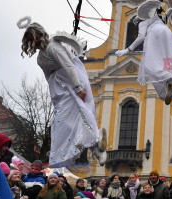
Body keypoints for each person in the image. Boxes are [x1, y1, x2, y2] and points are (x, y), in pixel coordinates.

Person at [20, 19, 107, 167]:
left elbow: (68, 66)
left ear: (40, 35)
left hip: (71, 84)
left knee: (78, 115)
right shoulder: (40, 58)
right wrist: (55, 96)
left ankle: (95, 144)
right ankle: (69, 154)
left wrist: (78, 88)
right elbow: (48, 78)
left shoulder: (53, 47)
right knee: (62, 123)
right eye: (30, 41)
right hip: (60, 90)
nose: (34, 42)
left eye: (35, 38)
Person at [115, 0, 172, 105]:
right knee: (169, 59)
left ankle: (169, 78)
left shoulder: (143, 22)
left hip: (155, 34)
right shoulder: (157, 18)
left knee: (150, 66)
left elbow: (141, 37)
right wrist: (168, 13)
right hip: (167, 33)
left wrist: (127, 50)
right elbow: (164, 20)